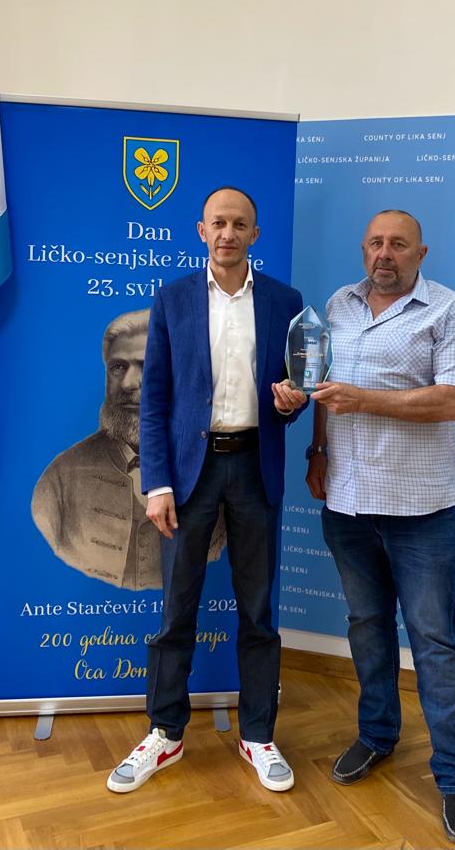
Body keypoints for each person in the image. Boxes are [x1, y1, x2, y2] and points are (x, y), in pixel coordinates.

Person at [107, 186, 306, 796]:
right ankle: (165, 732)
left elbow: (294, 389)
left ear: (255, 235)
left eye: (239, 224)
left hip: (254, 467)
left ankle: (258, 735)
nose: (228, 233)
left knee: (258, 610)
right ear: (202, 231)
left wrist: (291, 404)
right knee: (177, 609)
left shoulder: (285, 302)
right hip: (188, 474)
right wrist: (157, 483)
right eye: (218, 223)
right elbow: (155, 401)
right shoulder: (173, 299)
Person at [306, 209, 455, 845]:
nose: (386, 253)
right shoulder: (338, 305)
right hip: (347, 504)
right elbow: (323, 387)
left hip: (420, 511)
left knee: (434, 643)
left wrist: (363, 400)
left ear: (421, 253)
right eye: (376, 242)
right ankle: (377, 735)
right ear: (364, 250)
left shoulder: (449, 311)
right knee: (367, 627)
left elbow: (451, 400)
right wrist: (318, 448)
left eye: (399, 244)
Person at [32, 310, 226, 590]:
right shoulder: (59, 480)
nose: (128, 383)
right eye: (118, 367)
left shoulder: (216, 470)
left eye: (148, 366)